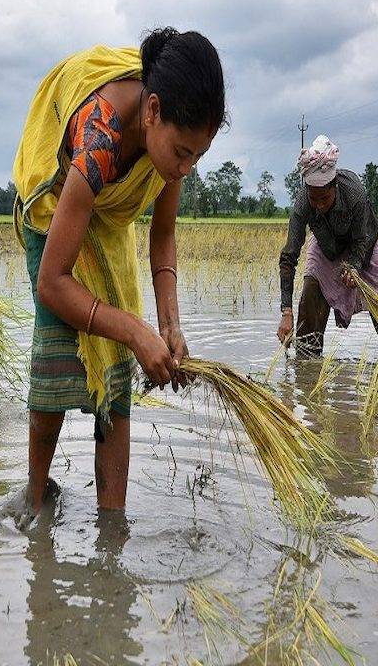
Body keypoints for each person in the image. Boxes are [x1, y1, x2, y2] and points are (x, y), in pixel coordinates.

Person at [12, 27, 226, 517]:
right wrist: (134, 330)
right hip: (55, 208)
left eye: (198, 155)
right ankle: (35, 498)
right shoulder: (101, 134)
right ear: (152, 111)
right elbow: (52, 284)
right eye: (182, 152)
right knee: (55, 357)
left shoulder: (167, 153)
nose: (187, 168)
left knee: (116, 386)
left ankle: (113, 529)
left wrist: (169, 326)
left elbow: (163, 235)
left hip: (103, 216)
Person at [276, 135, 378, 356]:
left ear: (334, 185)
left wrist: (354, 266)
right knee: (310, 293)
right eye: (313, 199)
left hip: (363, 242)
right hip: (326, 244)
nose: (318, 205)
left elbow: (363, 239)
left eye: (324, 199)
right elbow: (289, 256)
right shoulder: (303, 203)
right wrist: (286, 311)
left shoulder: (354, 193)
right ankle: (307, 366)